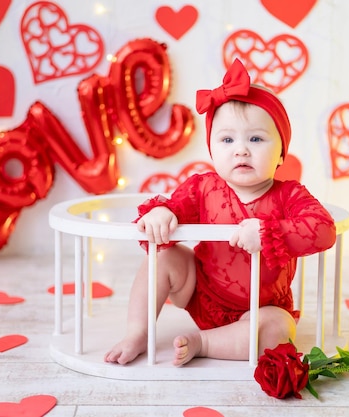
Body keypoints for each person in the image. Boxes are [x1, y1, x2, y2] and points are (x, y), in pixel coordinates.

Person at [104, 59, 336, 367]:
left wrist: (269, 232)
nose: (240, 149)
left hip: (260, 307)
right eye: (227, 139)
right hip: (202, 294)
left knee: (279, 329)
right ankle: (137, 332)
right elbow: (174, 208)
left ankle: (205, 343)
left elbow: (323, 229)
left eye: (256, 138)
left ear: (281, 151)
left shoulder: (289, 195)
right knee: (163, 258)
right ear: (213, 149)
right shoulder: (203, 188)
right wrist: (161, 212)